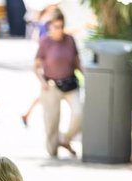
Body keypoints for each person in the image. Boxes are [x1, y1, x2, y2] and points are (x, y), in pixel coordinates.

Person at [34, 9, 82, 157]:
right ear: (49, 26)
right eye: (56, 27)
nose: (59, 30)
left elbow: (77, 62)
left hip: (69, 84)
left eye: (61, 26)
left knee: (79, 113)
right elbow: (36, 65)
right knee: (51, 123)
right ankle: (53, 152)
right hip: (51, 86)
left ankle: (65, 139)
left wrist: (88, 74)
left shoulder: (69, 40)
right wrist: (42, 81)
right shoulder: (45, 42)